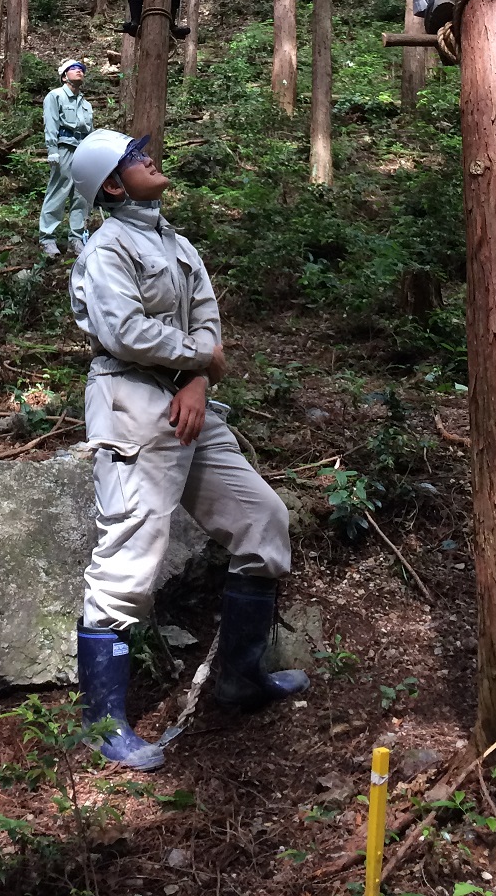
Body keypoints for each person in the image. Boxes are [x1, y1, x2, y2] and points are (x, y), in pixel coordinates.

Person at [67, 129, 308, 771]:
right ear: (113, 185)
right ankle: (103, 726)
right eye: (133, 158)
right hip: (133, 408)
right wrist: (199, 361)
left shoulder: (177, 243)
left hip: (189, 405)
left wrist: (200, 377)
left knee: (263, 520)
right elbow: (122, 331)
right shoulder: (106, 246)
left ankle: (239, 679)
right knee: (128, 558)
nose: (149, 158)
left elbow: (207, 320)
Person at [39, 59, 94, 259]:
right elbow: (51, 123)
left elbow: (90, 131)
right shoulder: (55, 96)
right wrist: (52, 149)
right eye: (74, 69)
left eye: (81, 69)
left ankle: (76, 238)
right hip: (64, 148)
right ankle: (47, 238)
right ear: (64, 76)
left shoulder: (86, 104)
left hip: (83, 151)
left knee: (81, 195)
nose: (79, 71)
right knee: (59, 191)